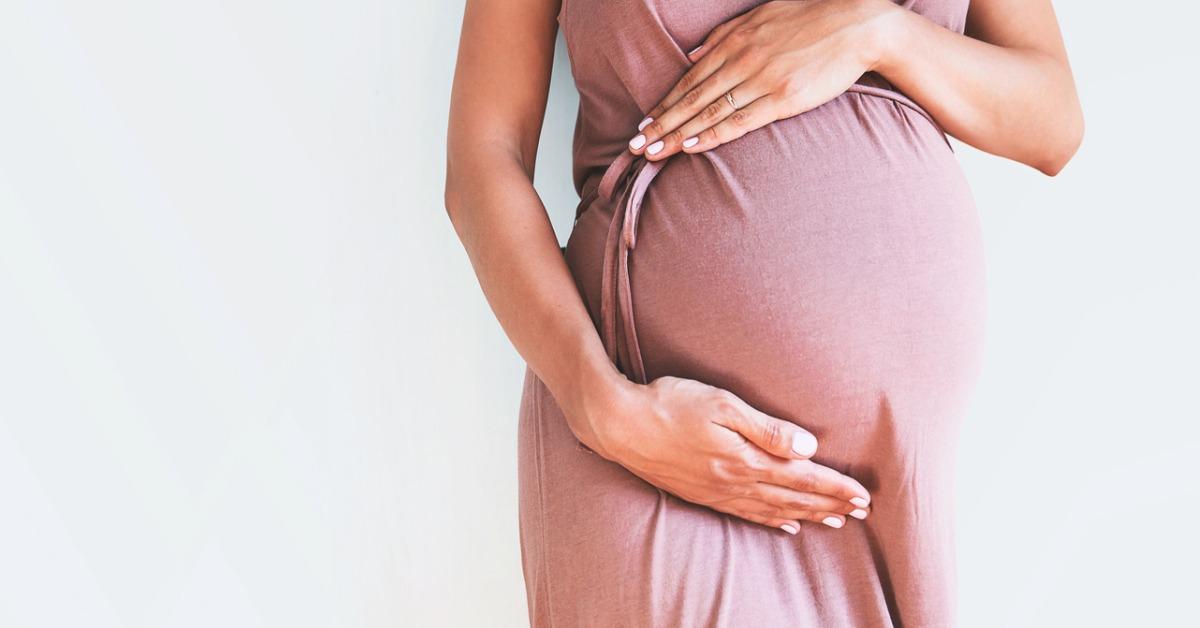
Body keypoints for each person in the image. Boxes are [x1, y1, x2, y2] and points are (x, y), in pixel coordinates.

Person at [443, 0, 1082, 625]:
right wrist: (602, 407)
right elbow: (482, 158)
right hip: (657, 439)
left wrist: (877, 33)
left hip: (892, 484)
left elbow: (1052, 121)